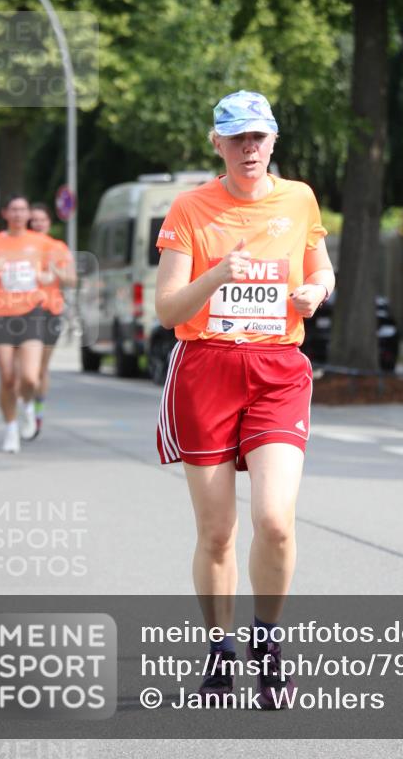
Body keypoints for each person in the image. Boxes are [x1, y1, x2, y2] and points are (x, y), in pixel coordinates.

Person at [155, 90, 335, 708]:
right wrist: (216, 275)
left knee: (275, 523)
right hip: (206, 367)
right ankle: (218, 650)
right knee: (217, 533)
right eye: (237, 138)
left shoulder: (299, 198)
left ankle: (267, 641)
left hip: (278, 369)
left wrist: (316, 291)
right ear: (218, 144)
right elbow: (166, 308)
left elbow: (322, 269)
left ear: (274, 140)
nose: (249, 148)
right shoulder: (190, 207)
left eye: (258, 137)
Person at [0, 195, 54, 452]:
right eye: (14, 209)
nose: (19, 214)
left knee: (30, 377)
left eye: (23, 210)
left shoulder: (41, 243)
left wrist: (44, 275)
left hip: (31, 312)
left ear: (29, 214)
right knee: (8, 378)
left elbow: (58, 274)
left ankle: (28, 405)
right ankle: (10, 429)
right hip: (0, 313)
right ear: (5, 213)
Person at [27, 203, 77, 435]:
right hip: (23, 312)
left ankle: (37, 411)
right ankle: (26, 406)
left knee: (40, 368)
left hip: (50, 310)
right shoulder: (21, 245)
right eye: (34, 220)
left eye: (42, 220)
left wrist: (55, 272)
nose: (38, 223)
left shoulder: (58, 247)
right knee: (25, 369)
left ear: (49, 222)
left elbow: (71, 280)